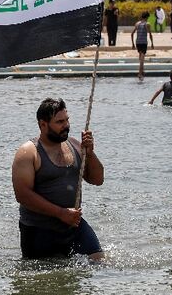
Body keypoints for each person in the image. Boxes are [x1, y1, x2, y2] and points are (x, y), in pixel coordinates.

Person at [11, 98, 105, 260]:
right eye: (60, 122)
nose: (66, 125)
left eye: (67, 120)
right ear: (43, 124)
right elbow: (22, 195)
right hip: (39, 229)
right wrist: (61, 213)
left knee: (98, 260)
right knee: (47, 277)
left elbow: (97, 180)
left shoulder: (75, 145)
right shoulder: (28, 152)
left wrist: (90, 153)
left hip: (73, 225)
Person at [130, 11, 154, 79]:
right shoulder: (147, 24)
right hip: (143, 43)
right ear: (147, 17)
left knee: (140, 58)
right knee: (142, 60)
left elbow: (132, 34)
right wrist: (152, 43)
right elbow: (150, 34)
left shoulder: (137, 24)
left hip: (138, 43)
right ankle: (140, 74)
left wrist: (133, 44)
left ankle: (142, 71)